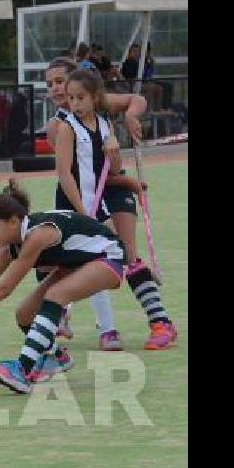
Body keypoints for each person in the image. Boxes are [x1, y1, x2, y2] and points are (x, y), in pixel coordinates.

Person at [0, 180, 127, 393]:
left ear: (12, 222)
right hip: (74, 265)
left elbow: (4, 289)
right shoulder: (9, 247)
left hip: (109, 257)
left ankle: (22, 370)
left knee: (56, 295)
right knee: (24, 314)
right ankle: (56, 358)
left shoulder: (38, 235)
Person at [51, 64, 179, 350]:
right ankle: (79, 321)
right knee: (91, 260)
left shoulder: (102, 113)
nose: (57, 90)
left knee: (125, 255)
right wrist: (84, 211)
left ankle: (161, 323)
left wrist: (116, 142)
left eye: (61, 82)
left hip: (109, 193)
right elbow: (68, 172)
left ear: (93, 95)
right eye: (52, 85)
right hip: (84, 201)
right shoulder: (61, 126)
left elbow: (110, 166)